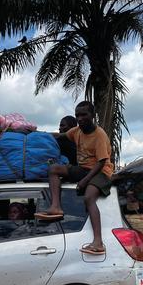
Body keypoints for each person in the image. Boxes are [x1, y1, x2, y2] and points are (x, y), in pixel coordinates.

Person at [35, 101, 113, 255]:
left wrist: (84, 181)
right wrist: (38, 134)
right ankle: (56, 207)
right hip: (83, 168)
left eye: (84, 114)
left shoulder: (99, 135)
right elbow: (61, 135)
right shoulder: (76, 131)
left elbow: (101, 162)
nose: (80, 118)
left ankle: (98, 242)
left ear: (93, 115)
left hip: (101, 171)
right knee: (54, 169)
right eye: (77, 115)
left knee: (89, 197)